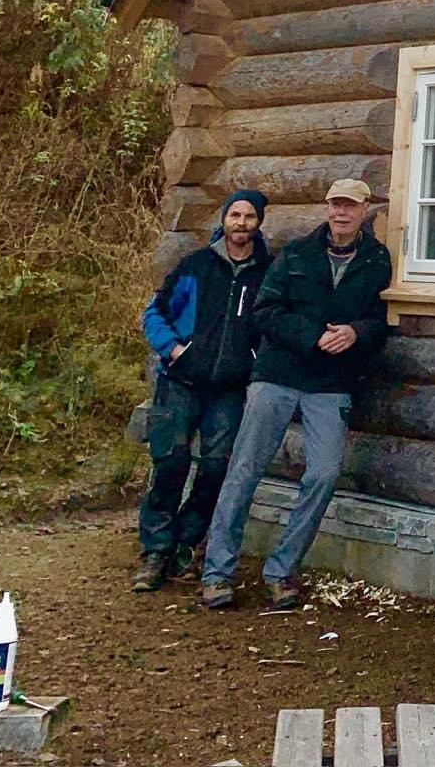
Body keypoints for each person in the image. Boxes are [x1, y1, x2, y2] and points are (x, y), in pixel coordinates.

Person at [199, 179, 392, 611]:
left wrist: (356, 333)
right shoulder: (296, 255)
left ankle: (282, 570)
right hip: (278, 374)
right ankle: (217, 573)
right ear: (327, 209)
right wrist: (311, 337)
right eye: (335, 205)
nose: (342, 213)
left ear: (364, 211)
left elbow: (380, 320)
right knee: (245, 469)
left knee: (324, 474)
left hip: (331, 384)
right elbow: (265, 311)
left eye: (351, 206)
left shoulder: (377, 261)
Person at [133, 189, 272, 592]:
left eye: (249, 216)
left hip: (228, 389)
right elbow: (154, 313)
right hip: (180, 381)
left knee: (215, 468)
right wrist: (175, 349)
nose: (241, 223)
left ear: (258, 223)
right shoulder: (195, 266)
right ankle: (154, 550)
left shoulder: (267, 274)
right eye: (235, 214)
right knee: (171, 463)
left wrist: (253, 360)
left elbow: (271, 325)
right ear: (224, 219)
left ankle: (185, 544)